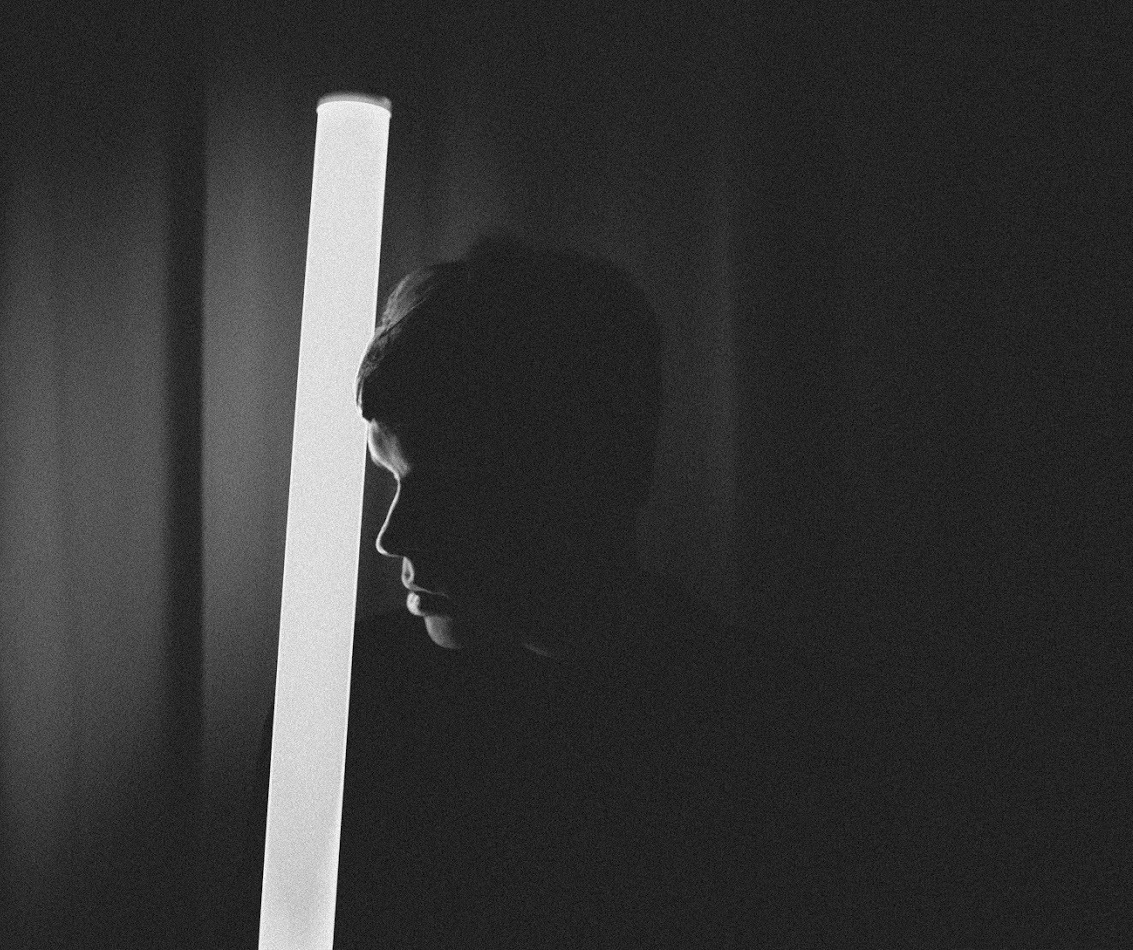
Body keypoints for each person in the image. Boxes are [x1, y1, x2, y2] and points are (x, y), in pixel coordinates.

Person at [249, 238, 824, 948]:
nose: (392, 538)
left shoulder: (747, 740)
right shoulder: (347, 701)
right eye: (391, 477)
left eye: (449, 487)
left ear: (585, 474)